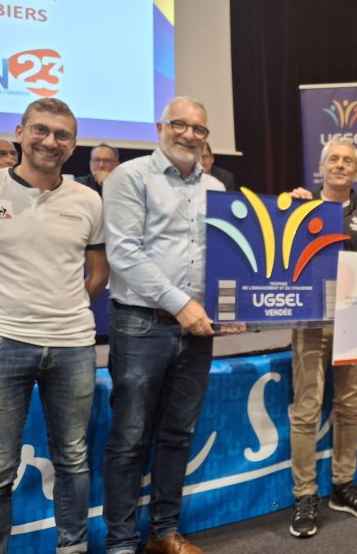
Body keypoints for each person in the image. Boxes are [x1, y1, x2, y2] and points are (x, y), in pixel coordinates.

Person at [0, 98, 108, 553]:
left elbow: (98, 274)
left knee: (73, 459)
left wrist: (66, 309)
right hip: (1, 345)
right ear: (20, 133)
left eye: (62, 134)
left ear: (73, 144)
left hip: (72, 346)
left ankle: (72, 547)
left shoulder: (89, 200)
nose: (50, 141)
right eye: (40, 130)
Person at [101, 96, 242, 554]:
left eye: (199, 129)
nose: (189, 134)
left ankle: (163, 533)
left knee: (178, 435)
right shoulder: (129, 177)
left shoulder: (217, 188)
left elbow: (230, 254)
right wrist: (182, 305)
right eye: (179, 124)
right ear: (160, 127)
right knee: (129, 439)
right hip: (142, 326)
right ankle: (121, 543)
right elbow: (124, 252)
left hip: (196, 330)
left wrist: (233, 306)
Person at [287, 136, 357, 538]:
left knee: (348, 407)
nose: (341, 164)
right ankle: (305, 495)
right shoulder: (300, 206)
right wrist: (289, 210)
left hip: (354, 322)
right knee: (307, 410)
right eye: (334, 159)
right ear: (321, 167)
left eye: (348, 160)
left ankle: (343, 486)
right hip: (310, 321)